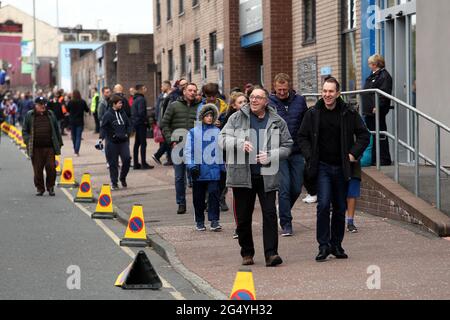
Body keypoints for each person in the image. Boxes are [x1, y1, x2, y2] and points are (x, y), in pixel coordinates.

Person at [298, 77, 370, 262]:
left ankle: (336, 245)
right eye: (324, 91)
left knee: (339, 207)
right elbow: (302, 137)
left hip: (342, 167)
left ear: (338, 93)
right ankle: (323, 246)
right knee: (323, 205)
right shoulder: (313, 113)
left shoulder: (348, 112)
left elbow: (363, 134)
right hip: (322, 166)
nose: (327, 95)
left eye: (331, 91)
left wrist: (353, 154)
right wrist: (309, 156)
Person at [220, 87, 293, 267]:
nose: (253, 100)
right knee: (244, 217)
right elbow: (221, 139)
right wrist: (239, 143)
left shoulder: (277, 121)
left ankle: (271, 254)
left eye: (258, 98)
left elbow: (288, 146)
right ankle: (247, 252)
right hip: (242, 176)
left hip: (267, 175)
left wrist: (271, 155)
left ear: (266, 101)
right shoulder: (236, 118)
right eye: (251, 97)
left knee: (269, 215)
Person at [269, 73, 308, 237]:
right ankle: (286, 223)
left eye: (285, 89)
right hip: (279, 152)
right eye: (279, 90)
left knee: (296, 187)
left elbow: (306, 121)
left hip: (298, 150)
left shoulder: (299, 101)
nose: (282, 92)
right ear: (275, 88)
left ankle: (283, 209)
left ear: (290, 87)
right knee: (284, 188)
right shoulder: (270, 102)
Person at [161, 83, 201, 215]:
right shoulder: (174, 106)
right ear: (184, 92)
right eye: (190, 90)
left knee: (196, 176)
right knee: (179, 177)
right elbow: (164, 124)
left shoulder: (200, 107)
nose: (192, 93)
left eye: (195, 90)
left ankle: (199, 202)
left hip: (195, 147)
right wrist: (171, 140)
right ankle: (181, 203)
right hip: (178, 146)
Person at [186, 104, 225, 231]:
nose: (209, 118)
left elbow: (220, 151)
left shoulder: (217, 131)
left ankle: (214, 220)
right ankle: (199, 221)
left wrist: (222, 168)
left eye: (211, 116)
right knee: (198, 198)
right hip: (198, 170)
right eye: (207, 115)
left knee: (214, 196)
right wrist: (191, 165)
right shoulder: (193, 132)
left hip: (213, 170)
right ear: (202, 117)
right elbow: (188, 151)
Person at [22, 97, 63, 196]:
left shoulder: (50, 114)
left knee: (51, 168)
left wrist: (59, 143)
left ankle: (50, 187)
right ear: (35, 105)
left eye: (44, 104)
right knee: (38, 169)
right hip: (36, 148)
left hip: (49, 147)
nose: (43, 106)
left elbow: (56, 130)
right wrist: (28, 140)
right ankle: (40, 188)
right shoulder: (29, 115)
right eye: (40, 104)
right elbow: (24, 131)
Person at [221, 92, 249, 239]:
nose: (244, 104)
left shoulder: (253, 117)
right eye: (240, 102)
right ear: (234, 105)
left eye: (245, 101)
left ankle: (246, 224)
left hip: (251, 161)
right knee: (238, 195)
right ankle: (239, 226)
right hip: (234, 161)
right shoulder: (230, 120)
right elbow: (224, 140)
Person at [361, 54, 393, 166]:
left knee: (379, 133)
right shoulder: (373, 75)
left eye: (370, 63)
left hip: (376, 111)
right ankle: (375, 158)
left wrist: (378, 106)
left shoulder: (384, 76)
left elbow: (384, 93)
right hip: (369, 111)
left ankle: (383, 159)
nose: (369, 65)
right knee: (372, 135)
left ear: (375, 64)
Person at [100, 95, 132, 190]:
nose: (121, 104)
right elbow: (103, 127)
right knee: (113, 163)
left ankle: (122, 178)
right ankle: (114, 183)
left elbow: (128, 125)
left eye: (121, 103)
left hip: (123, 141)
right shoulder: (108, 115)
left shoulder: (123, 113)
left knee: (127, 159)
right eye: (119, 103)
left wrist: (128, 133)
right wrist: (101, 138)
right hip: (112, 143)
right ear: (114, 104)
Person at [131, 85, 154, 170]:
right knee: (143, 144)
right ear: (140, 90)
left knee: (137, 144)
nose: (146, 89)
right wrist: (146, 121)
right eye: (144, 88)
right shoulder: (141, 99)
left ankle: (136, 163)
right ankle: (143, 164)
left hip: (136, 123)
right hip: (141, 124)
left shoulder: (135, 99)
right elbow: (141, 113)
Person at [153, 80, 173, 166]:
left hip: (167, 122)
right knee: (167, 141)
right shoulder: (162, 96)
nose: (161, 88)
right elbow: (159, 109)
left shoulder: (171, 96)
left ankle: (159, 155)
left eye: (162, 86)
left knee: (167, 141)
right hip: (163, 122)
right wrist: (158, 121)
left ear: (167, 86)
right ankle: (166, 157)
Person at [66, 90, 89, 156]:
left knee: (73, 136)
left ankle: (75, 149)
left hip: (72, 121)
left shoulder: (70, 102)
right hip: (80, 121)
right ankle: (76, 151)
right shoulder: (82, 101)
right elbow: (87, 110)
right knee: (78, 136)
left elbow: (67, 110)